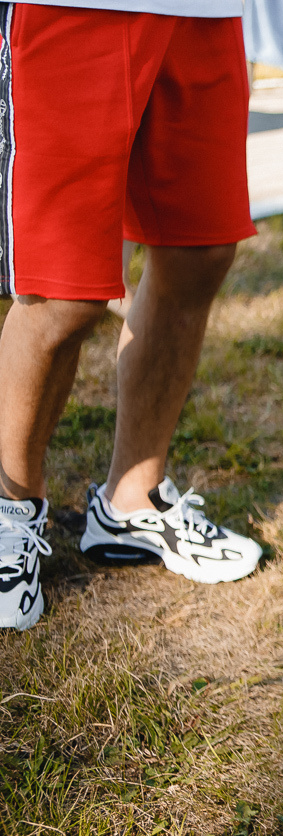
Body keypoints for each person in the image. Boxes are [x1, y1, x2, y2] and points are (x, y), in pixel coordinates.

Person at [0, 4, 263, 632]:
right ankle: (9, 511)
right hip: (75, 7)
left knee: (198, 251)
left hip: (203, 12)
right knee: (61, 292)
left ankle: (132, 502)